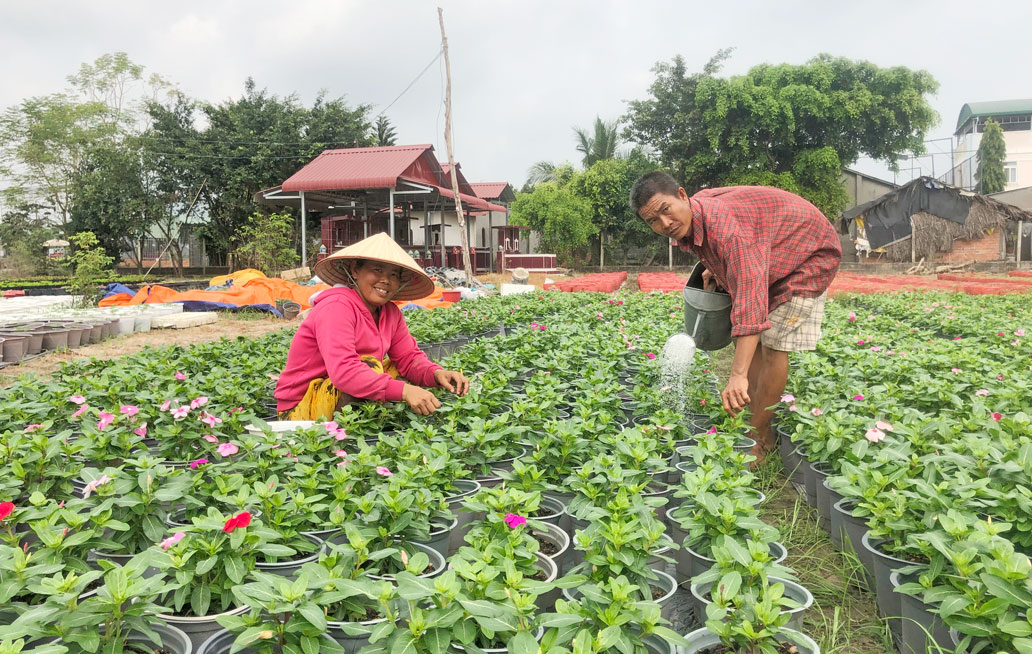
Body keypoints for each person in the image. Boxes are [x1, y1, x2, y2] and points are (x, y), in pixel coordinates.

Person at [630, 172, 841, 464]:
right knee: (751, 345)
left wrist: (737, 375)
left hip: (807, 255)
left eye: (665, 210)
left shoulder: (727, 231)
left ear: (681, 195)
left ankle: (761, 437)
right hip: (772, 253)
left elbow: (751, 301)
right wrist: (714, 270)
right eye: (653, 221)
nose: (664, 224)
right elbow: (738, 271)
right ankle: (751, 419)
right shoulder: (696, 217)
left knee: (773, 344)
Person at [275, 233, 469, 421]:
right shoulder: (337, 306)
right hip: (301, 408)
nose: (385, 280)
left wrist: (437, 374)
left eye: (393, 274)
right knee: (370, 366)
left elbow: (408, 358)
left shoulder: (391, 312)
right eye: (377, 270)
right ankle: (349, 439)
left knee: (395, 367)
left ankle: (369, 426)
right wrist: (404, 391)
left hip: (336, 393)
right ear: (355, 271)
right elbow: (345, 372)